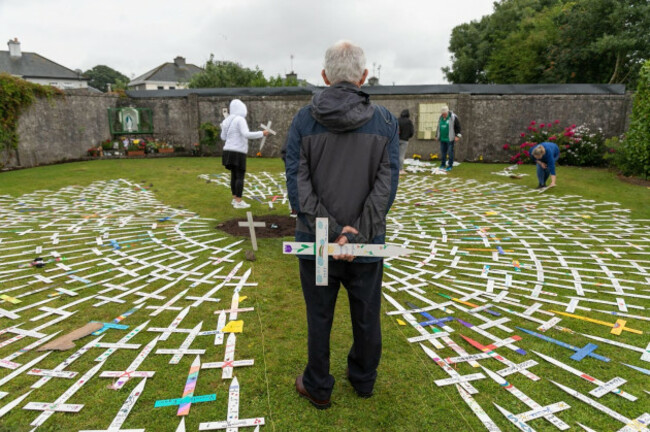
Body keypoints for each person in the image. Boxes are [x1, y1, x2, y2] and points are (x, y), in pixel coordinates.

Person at [284, 40, 399, 410]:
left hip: (319, 243)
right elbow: (387, 184)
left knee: (319, 314)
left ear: (324, 76)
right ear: (364, 77)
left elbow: (298, 186)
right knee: (366, 313)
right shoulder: (384, 121)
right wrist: (353, 233)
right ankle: (363, 380)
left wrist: (333, 233)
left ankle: (319, 385)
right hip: (364, 244)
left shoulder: (303, 120)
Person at [220, 99, 269, 209]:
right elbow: (246, 134)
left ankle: (234, 199)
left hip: (227, 151)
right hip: (238, 151)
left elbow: (223, 137)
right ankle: (238, 201)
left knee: (234, 175)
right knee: (239, 176)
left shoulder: (227, 121)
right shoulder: (240, 119)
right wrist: (262, 133)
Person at [435, 105, 461, 171]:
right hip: (442, 138)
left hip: (450, 138)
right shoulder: (440, 117)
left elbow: (458, 127)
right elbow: (438, 127)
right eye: (442, 114)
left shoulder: (453, 117)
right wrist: (436, 135)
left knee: (450, 152)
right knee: (443, 152)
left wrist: (458, 136)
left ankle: (450, 165)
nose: (443, 115)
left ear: (447, 112)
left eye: (445, 114)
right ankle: (443, 164)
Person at [397, 109, 414, 174]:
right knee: (401, 155)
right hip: (404, 140)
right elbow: (411, 131)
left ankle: (394, 168)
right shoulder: (409, 122)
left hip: (397, 139)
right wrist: (408, 136)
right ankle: (400, 169)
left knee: (396, 155)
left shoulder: (397, 120)